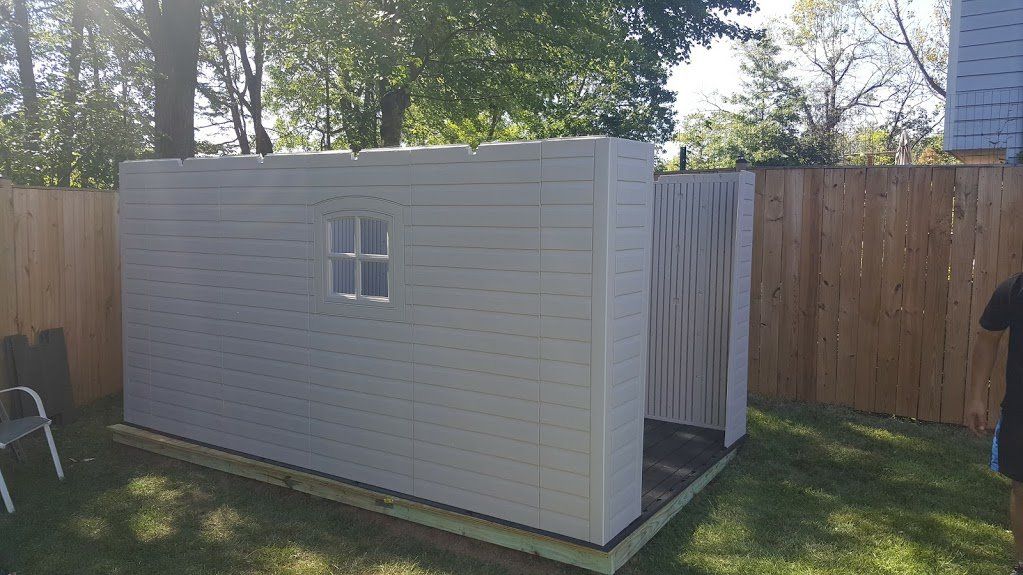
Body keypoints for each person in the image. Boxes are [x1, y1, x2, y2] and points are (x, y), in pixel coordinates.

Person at [968, 273, 1023, 575]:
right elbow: (987, 338)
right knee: (1021, 487)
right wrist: (977, 397)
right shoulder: (1014, 290)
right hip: (1020, 409)